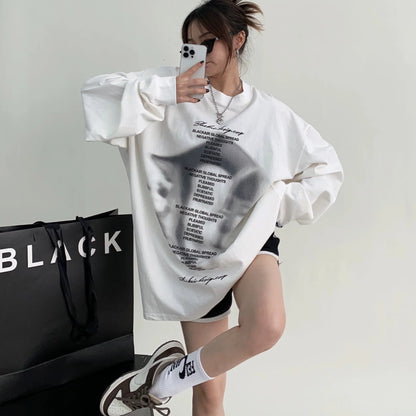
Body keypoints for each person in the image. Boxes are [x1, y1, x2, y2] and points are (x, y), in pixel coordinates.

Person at [81, 1, 344, 415]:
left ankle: (160, 381)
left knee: (267, 325)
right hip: (192, 256)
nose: (198, 53)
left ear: (237, 41)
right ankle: (166, 380)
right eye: (189, 44)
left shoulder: (270, 115)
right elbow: (96, 95)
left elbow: (327, 170)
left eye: (208, 42)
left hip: (249, 243)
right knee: (209, 393)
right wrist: (166, 92)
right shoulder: (170, 88)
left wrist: (275, 204)